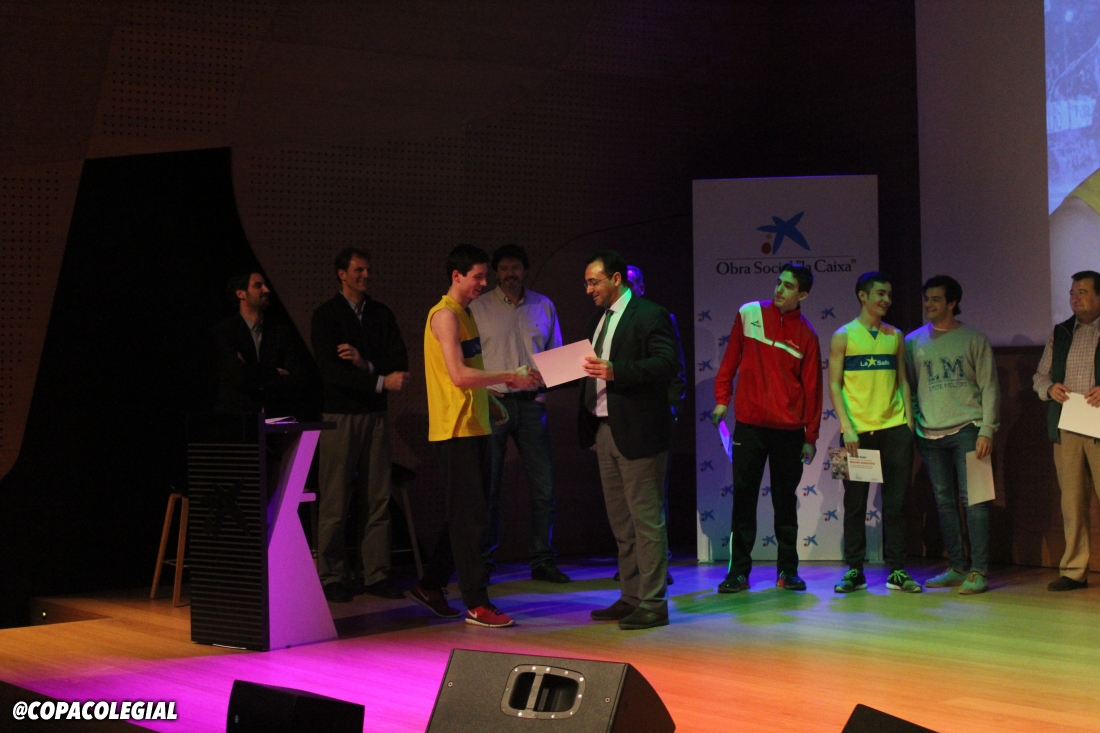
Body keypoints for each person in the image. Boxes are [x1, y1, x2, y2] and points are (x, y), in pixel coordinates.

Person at [410, 244, 540, 627]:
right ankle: (476, 603)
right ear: (457, 276)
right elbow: (458, 375)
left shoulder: (465, 313)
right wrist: (509, 377)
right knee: (471, 521)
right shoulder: (445, 316)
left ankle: (430, 585)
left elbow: (471, 374)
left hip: (474, 424)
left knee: (465, 515)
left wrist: (491, 401)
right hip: (456, 430)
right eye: (478, 277)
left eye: (485, 276)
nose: (484, 283)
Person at [580, 250, 679, 630]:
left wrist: (617, 370)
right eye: (587, 283)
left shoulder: (650, 314)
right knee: (622, 523)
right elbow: (590, 370)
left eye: (594, 282)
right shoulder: (598, 320)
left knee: (646, 522)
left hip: (639, 431)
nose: (589, 289)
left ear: (616, 279)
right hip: (605, 430)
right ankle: (631, 596)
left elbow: (667, 364)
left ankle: (653, 602)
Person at [710, 263, 822, 593]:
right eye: (778, 282)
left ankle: (788, 570)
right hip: (749, 428)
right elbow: (729, 361)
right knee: (743, 501)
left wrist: (811, 436)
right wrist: (722, 400)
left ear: (803, 295)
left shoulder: (807, 336)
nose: (779, 290)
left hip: (789, 433)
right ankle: (738, 572)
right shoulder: (749, 314)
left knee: (785, 503)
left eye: (788, 286)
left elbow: (813, 390)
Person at [311, 248, 410, 603]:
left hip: (375, 415)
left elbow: (399, 362)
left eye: (368, 269)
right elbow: (331, 373)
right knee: (335, 498)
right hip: (340, 416)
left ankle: (376, 574)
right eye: (358, 270)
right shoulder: (327, 315)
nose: (365, 275)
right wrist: (379, 380)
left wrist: (365, 364)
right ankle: (331, 575)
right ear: (341, 274)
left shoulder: (380, 313)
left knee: (378, 497)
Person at [469, 244, 569, 583]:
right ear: (496, 272)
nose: (510, 274)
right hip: (494, 402)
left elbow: (556, 356)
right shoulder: (478, 307)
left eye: (516, 268)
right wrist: (484, 394)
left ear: (525, 270)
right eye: (504, 268)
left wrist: (542, 392)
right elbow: (468, 359)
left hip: (530, 406)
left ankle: (542, 560)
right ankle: (483, 561)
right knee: (489, 487)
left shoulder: (544, 305)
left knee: (544, 487)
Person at [906, 275, 1000, 595]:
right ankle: (958, 566)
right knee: (944, 502)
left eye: (936, 299)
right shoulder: (913, 342)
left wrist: (987, 429)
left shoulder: (974, 338)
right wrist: (916, 421)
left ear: (952, 303)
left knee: (976, 500)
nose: (928, 305)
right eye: (926, 299)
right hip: (930, 435)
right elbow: (908, 386)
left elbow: (989, 386)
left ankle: (979, 570)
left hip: (969, 429)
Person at [829, 271, 921, 593]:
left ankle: (897, 571)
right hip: (856, 433)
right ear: (863, 296)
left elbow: (903, 381)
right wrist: (847, 427)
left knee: (896, 504)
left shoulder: (895, 335)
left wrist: (908, 422)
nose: (886, 300)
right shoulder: (842, 335)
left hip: (895, 429)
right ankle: (855, 571)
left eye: (889, 295)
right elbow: (834, 384)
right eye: (880, 293)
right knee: (854, 505)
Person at [1033, 270, 1100, 592]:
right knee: (1071, 502)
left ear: (1098, 296)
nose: (1075, 298)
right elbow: (1040, 376)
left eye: (1082, 292)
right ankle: (1074, 571)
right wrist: (1050, 389)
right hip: (1069, 424)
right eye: (1073, 292)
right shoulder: (1060, 332)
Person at [625, 264, 686, 586]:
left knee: (653, 494)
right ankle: (633, 564)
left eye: (632, 282)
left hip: (653, 416)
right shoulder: (610, 321)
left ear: (642, 287)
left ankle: (659, 564)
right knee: (626, 497)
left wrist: (672, 409)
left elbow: (676, 370)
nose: (628, 288)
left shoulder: (661, 318)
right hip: (622, 417)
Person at [212, 272, 306, 416]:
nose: (266, 290)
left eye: (265, 285)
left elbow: (296, 379)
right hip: (237, 419)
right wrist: (276, 372)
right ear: (241, 294)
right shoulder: (225, 331)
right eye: (258, 286)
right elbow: (238, 378)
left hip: (275, 416)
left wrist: (249, 370)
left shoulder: (281, 332)